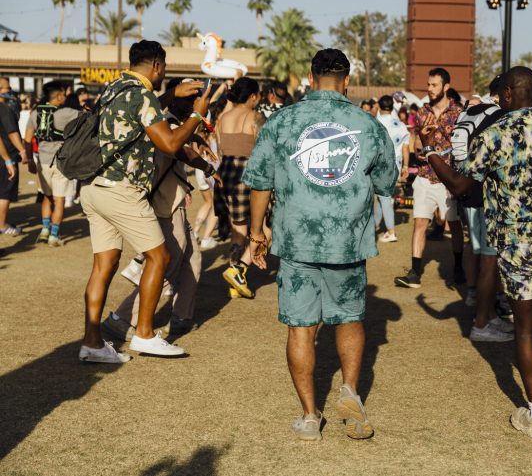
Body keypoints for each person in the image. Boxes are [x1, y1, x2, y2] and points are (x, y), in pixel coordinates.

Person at [418, 66, 532, 439]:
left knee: (526, 329)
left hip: (517, 244)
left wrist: (431, 153)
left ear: (506, 94)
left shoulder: (494, 135)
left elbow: (460, 185)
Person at [243, 48, 397, 441]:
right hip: (348, 242)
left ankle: (310, 416)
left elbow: (260, 183)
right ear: (347, 82)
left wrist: (256, 234)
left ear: (310, 79)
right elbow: (386, 183)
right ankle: (349, 391)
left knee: (300, 328)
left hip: (297, 240)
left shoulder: (282, 121)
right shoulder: (368, 124)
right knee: (349, 319)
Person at [77, 40, 210, 363]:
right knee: (159, 257)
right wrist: (197, 114)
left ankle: (92, 343)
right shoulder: (144, 94)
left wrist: (170, 95)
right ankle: (145, 335)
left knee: (103, 266)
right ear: (157, 66)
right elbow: (170, 143)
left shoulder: (114, 88)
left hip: (94, 187)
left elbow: (137, 112)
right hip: (122, 190)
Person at [103, 89, 217, 340]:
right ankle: (122, 318)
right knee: (167, 267)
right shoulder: (165, 126)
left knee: (192, 259)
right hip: (165, 205)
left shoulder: (168, 123)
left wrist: (195, 137)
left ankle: (181, 316)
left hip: (173, 202)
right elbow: (179, 150)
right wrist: (207, 167)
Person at [447, 76, 514, 342]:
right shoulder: (498, 116)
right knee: (490, 260)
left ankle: (488, 313)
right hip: (487, 195)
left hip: (467, 192)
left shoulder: (471, 111)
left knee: (479, 252)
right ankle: (482, 323)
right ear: (506, 93)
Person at [395, 68, 464, 288]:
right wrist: (419, 150)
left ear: (446, 87)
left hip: (448, 178)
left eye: (434, 85)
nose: (430, 89)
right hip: (425, 175)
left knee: (454, 225)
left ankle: (459, 268)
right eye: (428, 84)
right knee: (420, 222)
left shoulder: (459, 113)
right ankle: (415, 272)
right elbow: (416, 142)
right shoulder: (422, 112)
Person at [216, 77, 266, 299]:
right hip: (247, 173)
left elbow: (220, 147)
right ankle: (239, 269)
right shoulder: (255, 117)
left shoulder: (222, 117)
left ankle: (234, 276)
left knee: (238, 230)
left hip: (225, 172)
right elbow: (264, 149)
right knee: (266, 226)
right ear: (253, 96)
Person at [23, 81, 79, 246]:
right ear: (58, 96)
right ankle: (54, 235)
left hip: (42, 161)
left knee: (47, 197)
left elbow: (27, 140)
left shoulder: (35, 113)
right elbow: (89, 117)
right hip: (60, 162)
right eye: (64, 94)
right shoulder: (67, 113)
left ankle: (44, 230)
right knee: (59, 200)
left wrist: (29, 161)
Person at [374, 94, 410, 242]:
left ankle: (391, 232)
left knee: (384, 198)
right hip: (396, 165)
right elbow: (406, 148)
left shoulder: (373, 123)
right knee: (382, 197)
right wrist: (406, 166)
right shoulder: (401, 125)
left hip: (379, 165)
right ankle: (374, 226)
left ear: (379, 106)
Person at [0, 94, 23, 236]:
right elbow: (12, 132)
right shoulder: (3, 108)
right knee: (5, 192)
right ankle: (2, 225)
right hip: (5, 156)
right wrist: (21, 151)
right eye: (7, 88)